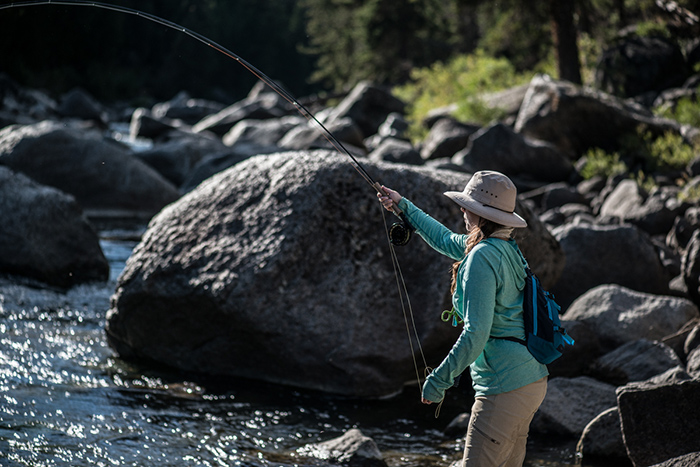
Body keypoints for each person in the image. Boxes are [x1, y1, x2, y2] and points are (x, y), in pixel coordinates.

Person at [377, 170, 548, 467]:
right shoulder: (505, 248)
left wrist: (438, 382)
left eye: (467, 206)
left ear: (481, 214)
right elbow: (445, 238)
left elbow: (475, 334)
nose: (462, 210)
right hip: (531, 382)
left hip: (504, 388)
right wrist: (402, 205)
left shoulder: (481, 257)